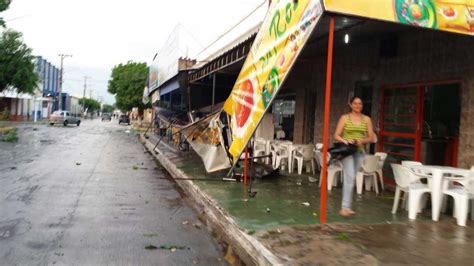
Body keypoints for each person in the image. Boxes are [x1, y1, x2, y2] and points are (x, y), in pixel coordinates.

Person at [333, 96, 374, 217]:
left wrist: (362, 141)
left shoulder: (367, 119)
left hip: (359, 151)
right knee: (350, 176)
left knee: (351, 178)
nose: (358, 106)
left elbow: (371, 137)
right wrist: (345, 140)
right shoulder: (344, 118)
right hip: (347, 151)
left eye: (360, 103)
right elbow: (336, 135)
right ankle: (345, 207)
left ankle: (347, 207)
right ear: (350, 105)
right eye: (355, 103)